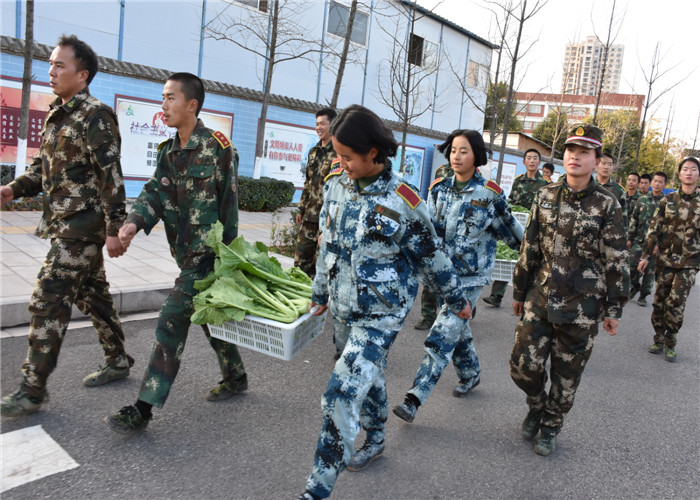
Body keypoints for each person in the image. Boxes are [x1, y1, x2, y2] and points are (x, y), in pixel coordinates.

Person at [297, 105, 471, 500]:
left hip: (381, 315)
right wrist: (320, 293)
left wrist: (456, 298)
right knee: (369, 376)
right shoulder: (335, 185)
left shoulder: (402, 199)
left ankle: (316, 489)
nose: (341, 164)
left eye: (347, 156)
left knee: (341, 393)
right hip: (344, 309)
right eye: (337, 156)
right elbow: (327, 246)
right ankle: (375, 438)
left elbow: (431, 255)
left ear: (373, 152)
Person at [105, 72, 247, 434]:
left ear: (192, 105)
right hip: (184, 253)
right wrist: (132, 224)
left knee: (172, 318)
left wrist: (229, 263)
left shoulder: (219, 148)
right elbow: (155, 193)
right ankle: (235, 376)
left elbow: (229, 208)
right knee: (210, 317)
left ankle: (144, 407)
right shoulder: (168, 152)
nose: (164, 105)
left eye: (171, 98)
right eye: (163, 98)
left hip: (209, 255)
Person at [0, 35, 133, 418]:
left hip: (83, 228)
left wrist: (115, 229)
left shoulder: (96, 116)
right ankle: (118, 360)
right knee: (93, 296)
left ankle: (32, 390)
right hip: (64, 224)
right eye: (51, 64)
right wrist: (12, 189)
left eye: (60, 65)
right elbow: (41, 170)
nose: (52, 71)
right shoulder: (57, 114)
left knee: (48, 298)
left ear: (83, 74)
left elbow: (111, 177)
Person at [509, 124, 629, 457]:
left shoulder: (608, 204)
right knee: (522, 366)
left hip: (582, 308)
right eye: (570, 151)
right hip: (540, 298)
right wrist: (519, 292)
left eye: (584, 152)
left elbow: (617, 259)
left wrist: (614, 309)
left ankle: (551, 426)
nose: (575, 157)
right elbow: (530, 247)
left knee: (567, 376)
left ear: (596, 160)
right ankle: (536, 405)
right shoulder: (545, 195)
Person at [392, 130, 523, 424]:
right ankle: (471, 373)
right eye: (453, 150)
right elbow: (429, 231)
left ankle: (414, 398)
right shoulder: (438, 189)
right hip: (442, 276)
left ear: (477, 155)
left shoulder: (490, 194)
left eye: (464, 151)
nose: (456, 156)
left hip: (471, 279)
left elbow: (516, 237)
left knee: (442, 334)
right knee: (457, 330)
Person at [639, 157, 699, 362]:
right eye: (685, 169)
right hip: (665, 260)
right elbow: (653, 229)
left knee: (676, 302)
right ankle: (658, 338)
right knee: (660, 301)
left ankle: (671, 340)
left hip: (690, 262)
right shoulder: (667, 200)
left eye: (693, 169)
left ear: (698, 174)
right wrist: (646, 255)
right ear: (679, 174)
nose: (689, 172)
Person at [483, 148, 548, 307]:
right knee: (510, 255)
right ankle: (496, 295)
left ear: (539, 162)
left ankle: (532, 299)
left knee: (531, 262)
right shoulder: (518, 181)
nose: (532, 161)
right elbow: (511, 201)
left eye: (535, 158)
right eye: (529, 158)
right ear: (524, 162)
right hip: (517, 226)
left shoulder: (545, 184)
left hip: (534, 229)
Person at [294, 108, 337, 278]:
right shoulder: (313, 152)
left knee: (321, 266)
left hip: (327, 220)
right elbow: (308, 182)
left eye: (322, 124)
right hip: (309, 217)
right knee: (300, 263)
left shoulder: (339, 154)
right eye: (317, 124)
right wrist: (301, 208)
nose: (318, 127)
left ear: (332, 125)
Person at [413, 162, 455, 331]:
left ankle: (454, 313)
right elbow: (430, 209)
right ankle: (428, 316)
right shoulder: (440, 176)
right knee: (431, 277)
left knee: (454, 280)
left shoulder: (474, 180)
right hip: (438, 237)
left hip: (458, 240)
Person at [627, 171, 667, 305]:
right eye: (655, 181)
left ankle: (643, 296)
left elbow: (666, 227)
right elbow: (634, 219)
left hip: (654, 244)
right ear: (652, 183)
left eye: (660, 182)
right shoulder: (642, 200)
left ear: (664, 184)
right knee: (632, 266)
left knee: (649, 271)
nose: (657, 184)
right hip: (639, 241)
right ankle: (635, 286)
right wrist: (630, 238)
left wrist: (658, 244)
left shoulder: (666, 203)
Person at [595, 151, 627, 225]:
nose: (606, 167)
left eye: (610, 164)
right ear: (596, 164)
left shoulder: (619, 191)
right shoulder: (587, 186)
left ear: (612, 168)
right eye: (604, 163)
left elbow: (623, 218)